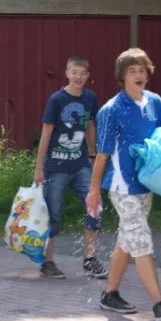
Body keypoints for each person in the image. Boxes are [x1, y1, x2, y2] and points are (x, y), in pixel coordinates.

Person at [87, 48, 161, 321]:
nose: (139, 75)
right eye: (133, 70)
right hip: (122, 188)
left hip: (147, 185)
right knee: (142, 241)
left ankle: (110, 294)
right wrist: (94, 191)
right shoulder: (111, 110)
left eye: (143, 70)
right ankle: (160, 304)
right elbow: (103, 154)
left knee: (127, 241)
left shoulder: (154, 102)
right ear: (122, 76)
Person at [33, 56, 107, 279]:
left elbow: (91, 126)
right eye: (74, 72)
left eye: (83, 73)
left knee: (95, 206)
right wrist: (39, 168)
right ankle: (47, 262)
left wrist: (93, 155)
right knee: (53, 214)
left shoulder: (90, 98)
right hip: (55, 167)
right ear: (66, 73)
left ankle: (90, 259)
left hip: (81, 164)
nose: (78, 77)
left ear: (87, 76)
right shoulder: (56, 100)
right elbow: (46, 134)